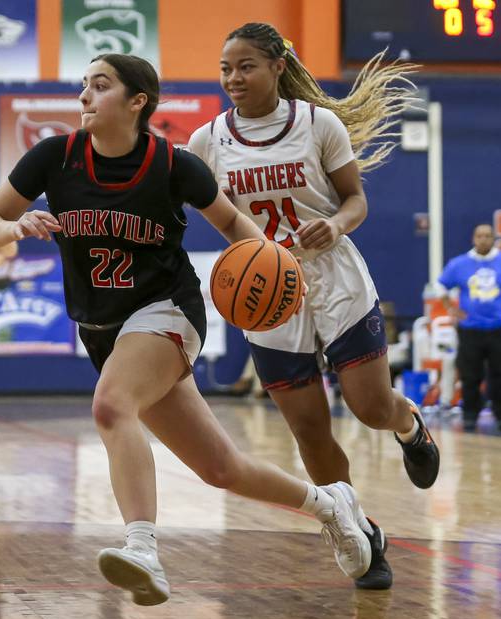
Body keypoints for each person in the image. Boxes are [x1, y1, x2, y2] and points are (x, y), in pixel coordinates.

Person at [0, 52, 374, 606]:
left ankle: (142, 549)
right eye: (84, 85)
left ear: (137, 101)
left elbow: (235, 224)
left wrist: (281, 272)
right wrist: (14, 226)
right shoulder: (54, 157)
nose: (85, 96)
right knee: (220, 469)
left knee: (111, 406)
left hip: (166, 310)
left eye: (100, 85)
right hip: (103, 328)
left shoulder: (174, 165)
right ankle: (331, 505)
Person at [187, 22, 442, 590]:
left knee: (370, 407)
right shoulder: (207, 142)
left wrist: (336, 224)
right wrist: (254, 256)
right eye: (226, 68)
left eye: (246, 66)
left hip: (334, 275)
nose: (233, 78)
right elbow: (217, 218)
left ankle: (409, 425)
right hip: (267, 290)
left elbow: (355, 200)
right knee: (309, 431)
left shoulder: (317, 124)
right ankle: (360, 534)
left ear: (278, 66)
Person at [437, 223, 501, 431]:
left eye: (488, 236)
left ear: (494, 239)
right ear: (473, 238)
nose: (483, 239)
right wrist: (451, 308)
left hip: (500, 328)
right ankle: (470, 415)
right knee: (470, 375)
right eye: (479, 236)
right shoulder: (459, 263)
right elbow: (440, 285)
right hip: (470, 329)